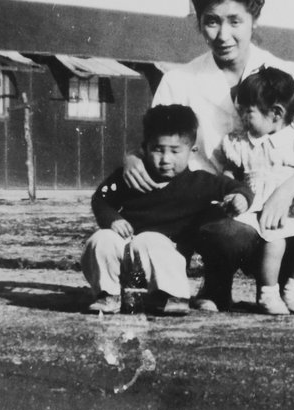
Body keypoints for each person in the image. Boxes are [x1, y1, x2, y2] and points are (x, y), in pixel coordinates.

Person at [123, 0, 294, 314]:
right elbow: (151, 141)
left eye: (235, 21)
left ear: (254, 21)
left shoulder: (283, 72)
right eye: (212, 22)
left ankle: (277, 283)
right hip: (222, 213)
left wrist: (285, 192)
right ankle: (217, 285)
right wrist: (132, 158)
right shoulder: (180, 81)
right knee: (227, 233)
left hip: (285, 210)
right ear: (199, 24)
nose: (223, 34)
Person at [81, 104, 253, 315]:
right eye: (158, 149)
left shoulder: (199, 182)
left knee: (150, 239)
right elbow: (102, 198)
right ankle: (108, 294)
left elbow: (236, 187)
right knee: (101, 238)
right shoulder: (132, 177)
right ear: (144, 148)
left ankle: (173, 295)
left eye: (175, 151)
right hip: (126, 251)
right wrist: (112, 219)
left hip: (167, 256)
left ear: (192, 151)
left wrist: (240, 197)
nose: (165, 159)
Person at [213, 67, 294, 315]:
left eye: (248, 112)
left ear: (277, 113)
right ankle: (267, 292)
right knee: (274, 242)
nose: (242, 117)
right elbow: (230, 173)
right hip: (261, 209)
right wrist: (230, 192)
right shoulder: (241, 144)